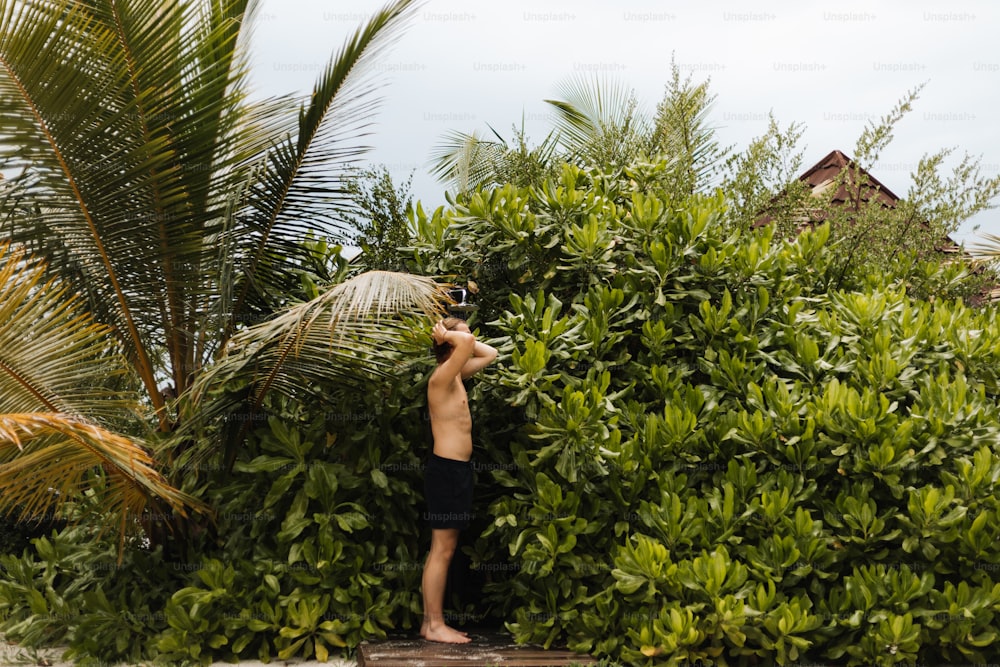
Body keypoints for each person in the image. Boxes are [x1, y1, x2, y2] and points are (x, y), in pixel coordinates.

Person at [421, 317, 497, 644]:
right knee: (441, 550)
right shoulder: (441, 378)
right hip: (446, 472)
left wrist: (455, 336)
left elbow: (490, 353)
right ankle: (433, 625)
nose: (471, 339)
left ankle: (433, 623)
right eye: (465, 336)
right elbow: (467, 347)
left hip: (458, 472)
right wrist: (451, 336)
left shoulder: (457, 377)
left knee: (447, 550)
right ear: (449, 344)